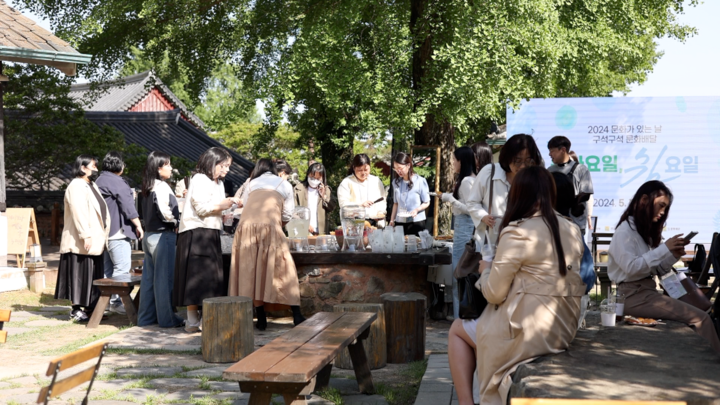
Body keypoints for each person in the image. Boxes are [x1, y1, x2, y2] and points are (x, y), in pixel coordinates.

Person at [473, 165, 585, 405]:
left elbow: (494, 294)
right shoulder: (573, 229)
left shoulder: (517, 231)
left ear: (517, 194)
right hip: (563, 329)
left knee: (458, 331)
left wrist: (485, 272)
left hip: (527, 334)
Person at [608, 181, 720, 353]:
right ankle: (713, 368)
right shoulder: (624, 231)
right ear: (644, 200)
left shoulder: (640, 231)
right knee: (701, 319)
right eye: (661, 206)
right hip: (634, 296)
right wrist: (664, 248)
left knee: (699, 316)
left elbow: (656, 270)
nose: (662, 213)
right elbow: (631, 268)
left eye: (665, 208)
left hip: (645, 294)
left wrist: (673, 254)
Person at [229, 158, 305, 330]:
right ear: (275, 170)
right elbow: (287, 214)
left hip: (246, 229)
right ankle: (297, 314)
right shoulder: (283, 184)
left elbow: (246, 207)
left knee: (251, 270)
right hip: (270, 227)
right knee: (284, 268)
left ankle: (261, 318)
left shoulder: (250, 183)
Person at [173, 147, 240, 333]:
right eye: (223, 165)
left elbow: (214, 210)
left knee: (207, 279)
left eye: (228, 166)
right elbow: (202, 209)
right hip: (196, 233)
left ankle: (203, 321)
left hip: (210, 231)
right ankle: (194, 322)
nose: (226, 170)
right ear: (212, 162)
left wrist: (226, 211)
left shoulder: (218, 183)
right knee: (197, 279)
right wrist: (225, 204)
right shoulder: (199, 179)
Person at [55, 155, 111, 322]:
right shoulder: (76, 186)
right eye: (93, 166)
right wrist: (85, 235)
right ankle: (77, 309)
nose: (95, 169)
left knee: (93, 273)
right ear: (83, 167)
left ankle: (91, 307)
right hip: (81, 240)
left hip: (95, 238)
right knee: (80, 273)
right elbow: (79, 212)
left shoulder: (90, 185)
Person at [467, 134, 543, 251]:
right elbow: (472, 202)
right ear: (508, 158)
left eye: (528, 161)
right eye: (517, 161)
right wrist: (483, 216)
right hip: (490, 245)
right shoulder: (489, 172)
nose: (523, 166)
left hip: (523, 245)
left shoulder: (535, 178)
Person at [137, 151, 185, 328]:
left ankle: (146, 318)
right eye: (168, 165)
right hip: (163, 235)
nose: (171, 168)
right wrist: (176, 221)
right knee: (164, 280)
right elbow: (165, 211)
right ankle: (167, 319)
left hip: (149, 235)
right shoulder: (162, 187)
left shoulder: (147, 186)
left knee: (149, 280)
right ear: (159, 168)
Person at [95, 151, 144, 315]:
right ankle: (117, 302)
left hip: (103, 232)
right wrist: (138, 224)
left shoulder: (100, 180)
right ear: (118, 164)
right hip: (117, 231)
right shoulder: (116, 181)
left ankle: (106, 304)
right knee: (122, 269)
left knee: (107, 271)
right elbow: (128, 206)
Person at [439, 147, 478, 321]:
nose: (453, 164)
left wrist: (451, 199)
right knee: (459, 275)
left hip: (465, 230)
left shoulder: (467, 181)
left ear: (461, 161)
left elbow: (472, 210)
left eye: (454, 160)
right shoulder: (468, 180)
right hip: (462, 228)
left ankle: (460, 319)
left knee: (459, 275)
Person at [547, 136, 594, 236]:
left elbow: (586, 193)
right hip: (554, 222)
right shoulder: (549, 171)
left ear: (563, 150)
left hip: (575, 223)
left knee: (580, 251)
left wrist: (570, 203)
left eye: (552, 150)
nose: (550, 154)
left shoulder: (581, 169)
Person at [337, 154, 388, 226]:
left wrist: (380, 213)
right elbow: (343, 204)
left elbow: (382, 200)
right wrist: (360, 205)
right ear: (354, 168)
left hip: (374, 221)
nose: (363, 173)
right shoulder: (346, 182)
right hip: (354, 222)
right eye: (360, 170)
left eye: (366, 170)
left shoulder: (375, 181)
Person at [389, 152, 430, 235]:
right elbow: (396, 204)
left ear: (408, 165)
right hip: (399, 222)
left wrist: (417, 210)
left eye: (400, 168)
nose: (398, 171)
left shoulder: (420, 181)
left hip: (416, 221)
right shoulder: (395, 182)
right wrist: (392, 220)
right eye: (396, 169)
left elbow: (426, 202)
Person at [293, 162, 336, 235]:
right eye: (312, 177)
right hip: (302, 230)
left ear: (323, 178)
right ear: (308, 174)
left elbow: (332, 208)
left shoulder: (326, 190)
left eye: (318, 178)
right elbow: (292, 211)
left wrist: (324, 196)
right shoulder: (298, 189)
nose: (314, 180)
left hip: (321, 230)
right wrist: (304, 223)